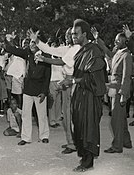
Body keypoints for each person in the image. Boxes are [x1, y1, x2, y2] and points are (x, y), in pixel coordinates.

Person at [62, 19, 107, 172]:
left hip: (90, 96)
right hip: (79, 94)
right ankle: (84, 156)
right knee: (79, 126)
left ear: (85, 34)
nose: (73, 36)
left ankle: (88, 162)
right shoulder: (81, 50)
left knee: (89, 128)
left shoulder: (94, 51)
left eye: (76, 34)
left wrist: (73, 80)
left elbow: (95, 79)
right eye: (72, 34)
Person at [29, 27, 80, 154]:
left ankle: (74, 143)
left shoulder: (77, 48)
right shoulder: (68, 48)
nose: (68, 36)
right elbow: (50, 50)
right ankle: (71, 141)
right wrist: (37, 40)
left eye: (72, 34)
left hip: (73, 83)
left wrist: (44, 59)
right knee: (66, 114)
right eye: (68, 34)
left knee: (70, 115)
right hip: (66, 82)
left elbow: (60, 61)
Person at [3, 32, 51, 146]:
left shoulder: (46, 57)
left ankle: (44, 136)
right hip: (28, 89)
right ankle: (26, 137)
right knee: (25, 114)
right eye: (31, 42)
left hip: (40, 91)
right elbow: (14, 50)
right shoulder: (27, 53)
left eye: (34, 42)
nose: (32, 44)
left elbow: (47, 77)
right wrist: (4, 43)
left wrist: (44, 92)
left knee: (42, 115)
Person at [91, 27, 133, 153]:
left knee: (115, 120)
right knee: (121, 120)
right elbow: (107, 52)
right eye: (115, 40)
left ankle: (117, 146)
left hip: (119, 91)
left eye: (118, 41)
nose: (115, 43)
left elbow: (126, 77)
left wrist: (123, 94)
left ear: (124, 42)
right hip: (114, 89)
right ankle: (126, 142)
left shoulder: (126, 55)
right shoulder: (118, 52)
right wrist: (97, 39)